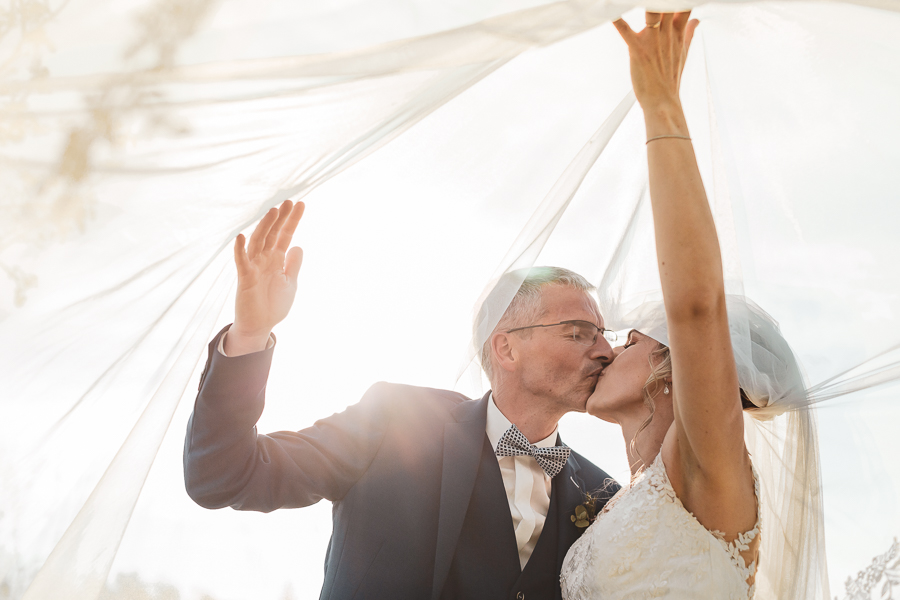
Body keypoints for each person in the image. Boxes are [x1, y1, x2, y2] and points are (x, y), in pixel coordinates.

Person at [183, 199, 621, 599]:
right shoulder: (396, 422)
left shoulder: (605, 497)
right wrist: (250, 334)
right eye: (579, 333)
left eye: (604, 336)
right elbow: (224, 476)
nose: (606, 352)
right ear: (506, 348)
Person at [560, 10, 827, 600]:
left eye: (629, 340)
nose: (605, 350)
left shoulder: (709, 470)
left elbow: (697, 306)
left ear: (670, 365)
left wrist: (660, 109)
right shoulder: (621, 498)